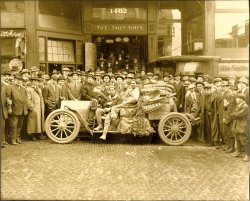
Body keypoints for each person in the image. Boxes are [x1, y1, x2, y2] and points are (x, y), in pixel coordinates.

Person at [7, 74, 28, 145]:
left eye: (20, 80)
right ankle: (12, 139)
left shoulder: (23, 88)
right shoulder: (10, 87)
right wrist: (9, 108)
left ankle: (17, 138)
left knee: (19, 125)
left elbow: (25, 99)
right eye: (18, 80)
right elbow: (8, 98)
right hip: (14, 110)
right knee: (13, 125)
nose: (19, 81)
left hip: (22, 110)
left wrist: (26, 108)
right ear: (14, 79)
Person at [230, 93, 248, 162]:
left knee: (244, 140)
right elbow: (233, 113)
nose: (236, 99)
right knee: (237, 138)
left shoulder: (245, 106)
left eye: (237, 98)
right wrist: (234, 113)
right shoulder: (238, 105)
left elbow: (237, 115)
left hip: (242, 125)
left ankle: (247, 155)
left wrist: (234, 113)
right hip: (237, 124)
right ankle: (238, 152)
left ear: (241, 99)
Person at [1, 70, 11, 147]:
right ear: (2, 76)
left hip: (3, 109)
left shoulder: (6, 86)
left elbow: (8, 97)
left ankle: (2, 141)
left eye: (8, 76)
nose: (7, 78)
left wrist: (8, 104)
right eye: (5, 76)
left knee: (2, 126)